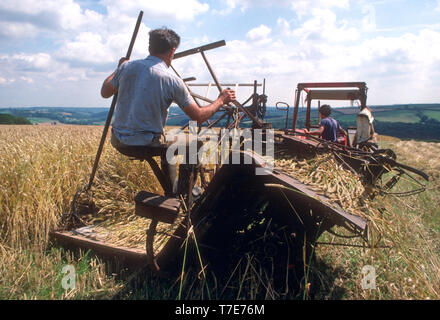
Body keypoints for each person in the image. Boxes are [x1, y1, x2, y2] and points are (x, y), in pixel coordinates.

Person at [100, 27, 236, 195]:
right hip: (145, 143)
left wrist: (119, 67)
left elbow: (105, 92)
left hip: (118, 140)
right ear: (172, 51)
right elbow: (199, 117)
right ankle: (184, 193)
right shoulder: (172, 80)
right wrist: (221, 100)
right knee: (195, 144)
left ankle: (171, 191)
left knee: (169, 139)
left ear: (150, 48)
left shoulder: (126, 67)